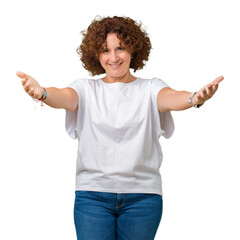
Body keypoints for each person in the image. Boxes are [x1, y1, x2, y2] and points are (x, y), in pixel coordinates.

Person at [16, 16, 224, 240]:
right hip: (93, 196)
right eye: (106, 50)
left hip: (143, 198)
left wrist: (194, 98)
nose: (113, 57)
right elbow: (63, 95)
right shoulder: (86, 89)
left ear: (133, 49)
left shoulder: (151, 88)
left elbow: (172, 98)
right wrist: (43, 93)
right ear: (96, 54)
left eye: (120, 48)